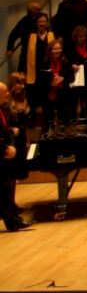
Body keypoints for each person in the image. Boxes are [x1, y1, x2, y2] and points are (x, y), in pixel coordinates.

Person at [0, 82, 28, 231]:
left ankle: (13, 220)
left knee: (5, 189)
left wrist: (10, 132)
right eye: (4, 92)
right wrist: (4, 149)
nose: (8, 94)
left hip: (3, 157)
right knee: (3, 190)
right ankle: (12, 222)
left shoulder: (2, 109)